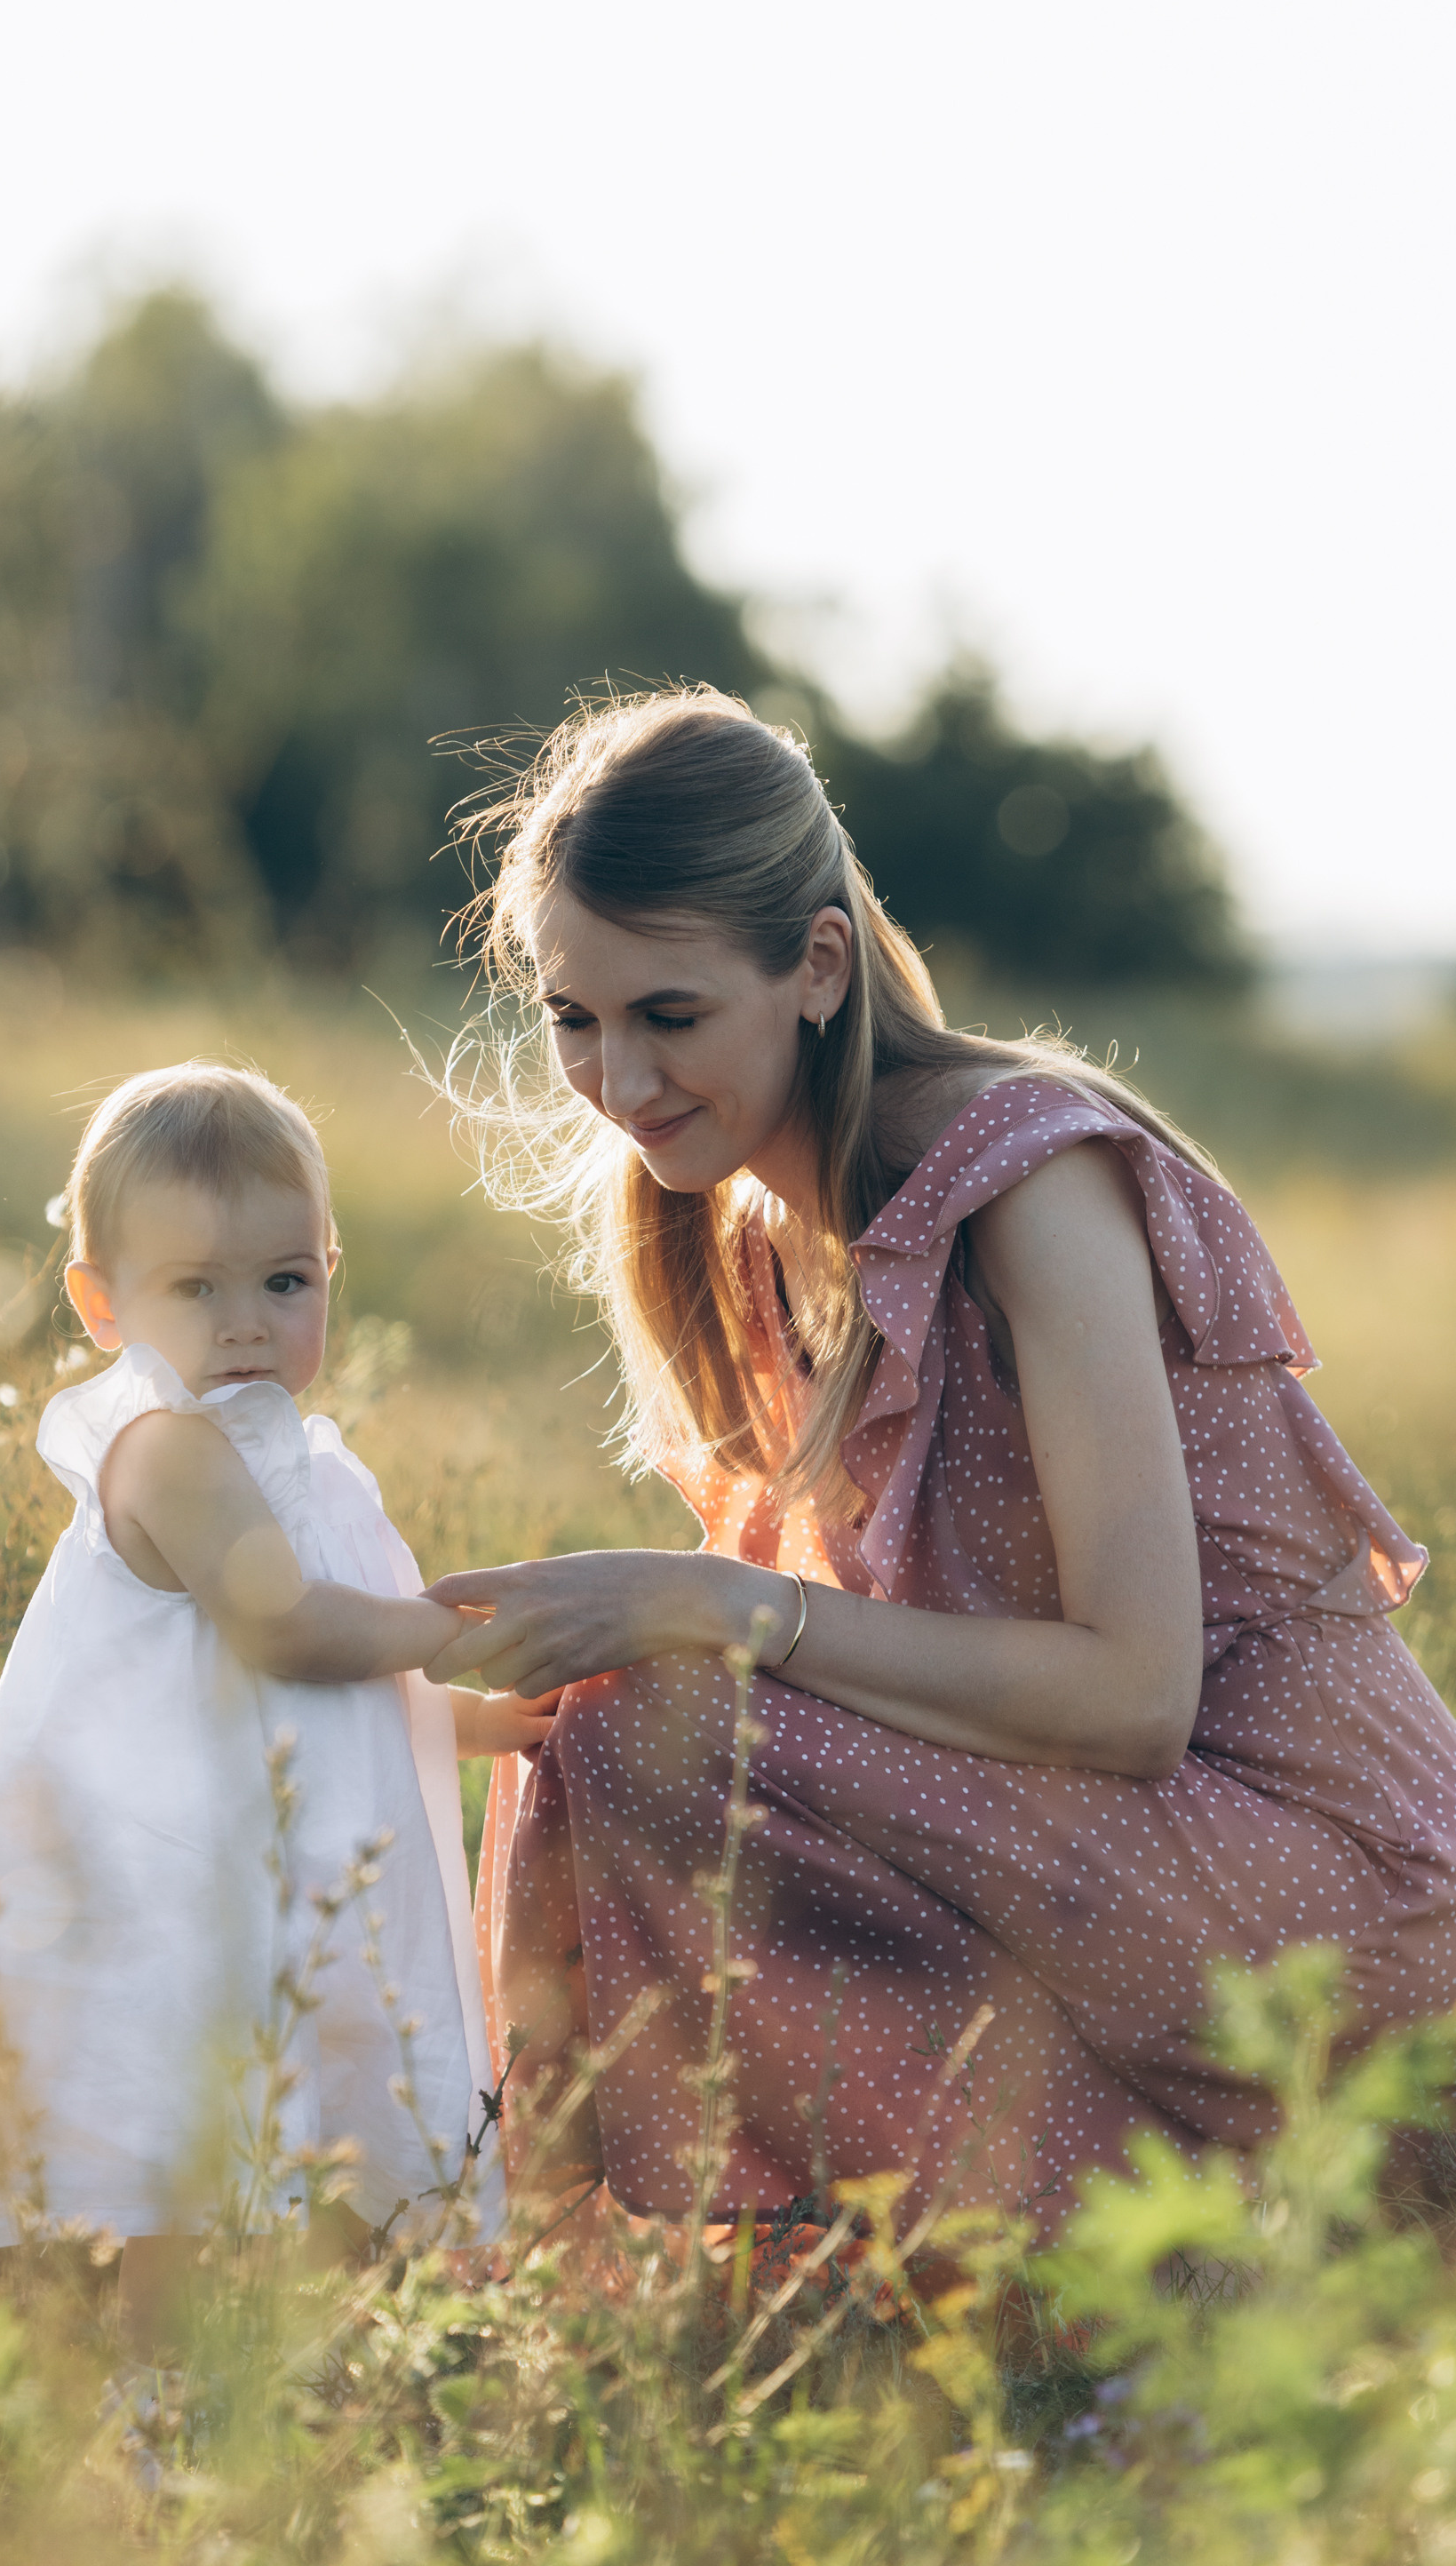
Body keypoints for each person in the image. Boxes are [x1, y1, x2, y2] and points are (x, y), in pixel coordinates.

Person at [424, 689, 1456, 2241]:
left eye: (671, 1016)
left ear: (816, 968)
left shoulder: (1026, 1179)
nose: (618, 1082)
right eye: (576, 1019)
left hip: (1329, 1896)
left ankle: (1144, 2261)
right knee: (610, 1714)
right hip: (1112, 1860)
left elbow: (1134, 1698)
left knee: (655, 1708)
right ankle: (918, 2268)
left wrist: (715, 1603)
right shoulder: (745, 1231)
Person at [0, 1062, 549, 2355]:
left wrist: (462, 1715)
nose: (244, 1326)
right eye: (192, 1289)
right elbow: (288, 1630)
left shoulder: (311, 1465)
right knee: (196, 2159)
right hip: (188, 1890)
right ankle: (161, 2417)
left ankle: (330, 2391)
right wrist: (454, 1630)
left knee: (330, 2126)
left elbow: (335, 1696)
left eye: (284, 1283)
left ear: (331, 1271)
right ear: (100, 1305)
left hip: (300, 1875)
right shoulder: (167, 1451)